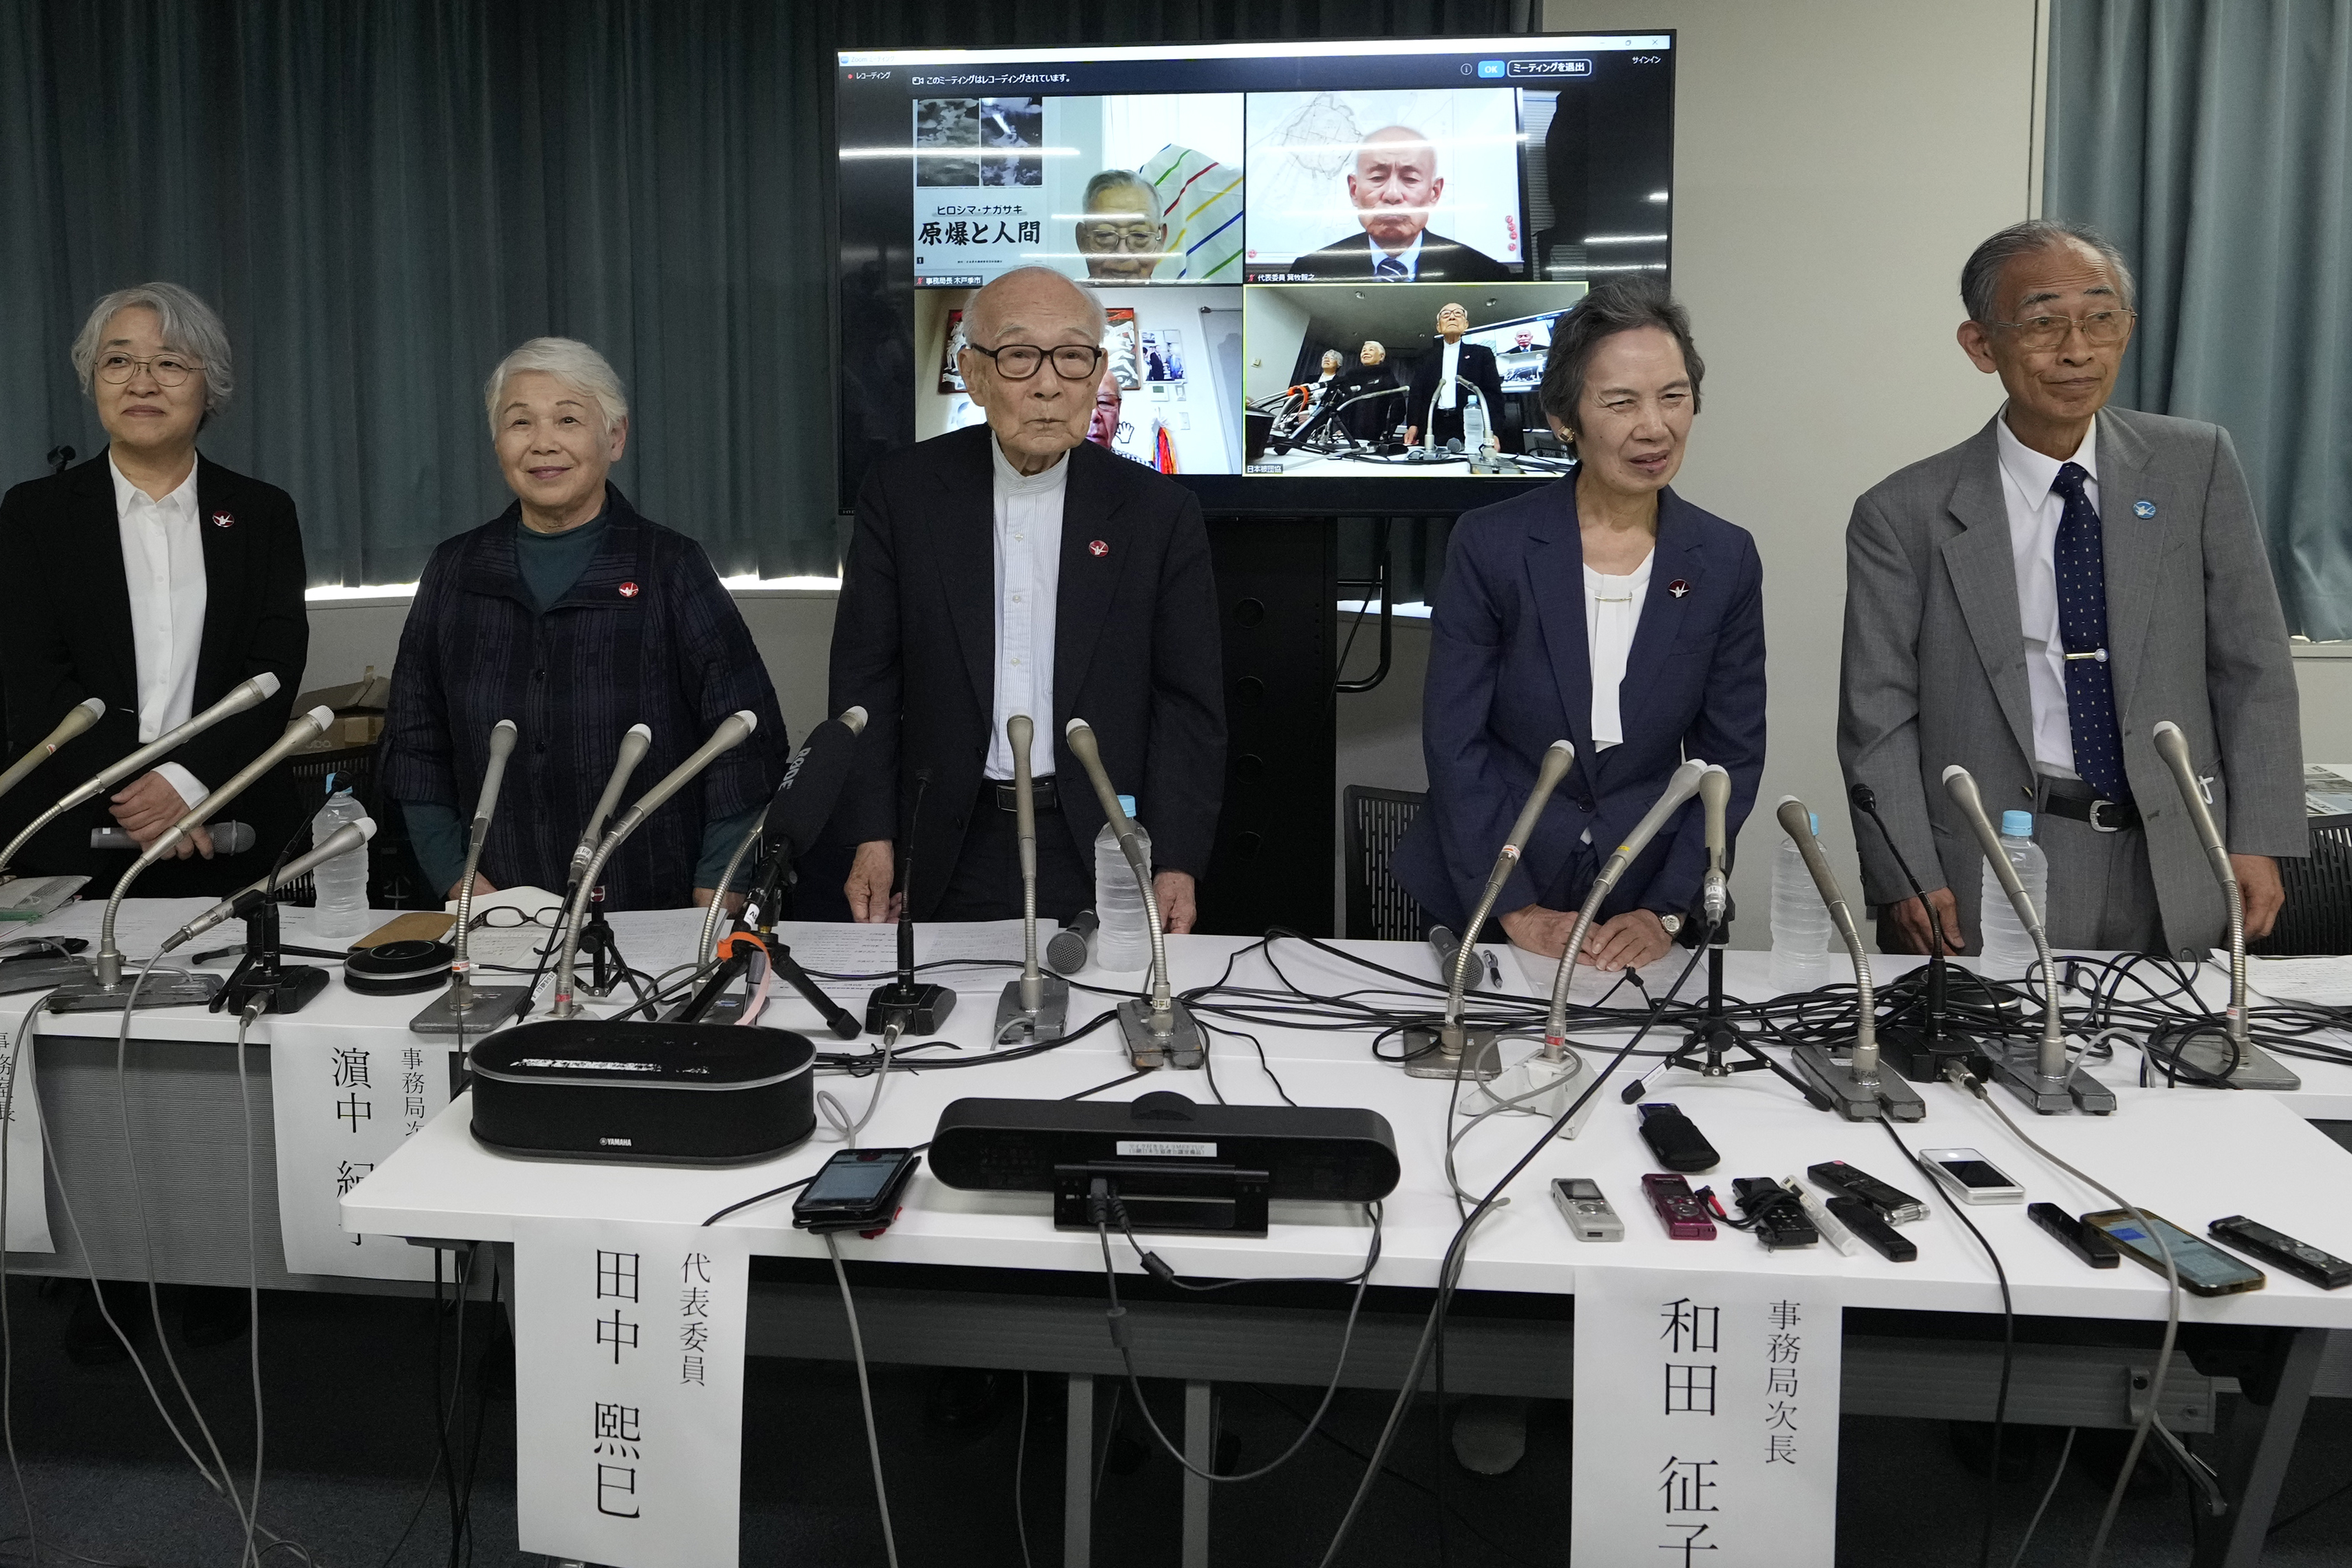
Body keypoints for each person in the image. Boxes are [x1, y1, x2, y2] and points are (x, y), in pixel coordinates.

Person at [1839, 220, 2302, 960]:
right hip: (1991, 860)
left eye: (2101, 319)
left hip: (2179, 854)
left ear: (2127, 329)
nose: (2077, 350)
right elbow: (1879, 715)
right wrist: (1904, 873)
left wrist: (2261, 837)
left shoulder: (2195, 466)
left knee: (2174, 1063)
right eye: (2044, 324)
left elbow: (2253, 668)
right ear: (1981, 345)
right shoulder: (1904, 513)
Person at [830, 265, 1225, 931]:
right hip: (951, 842)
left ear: (1100, 370)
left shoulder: (1157, 513)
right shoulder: (905, 496)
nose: (1048, 384)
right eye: (1018, 357)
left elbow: (1187, 704)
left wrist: (1177, 859)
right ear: (974, 375)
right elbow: (867, 678)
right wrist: (873, 836)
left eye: (1072, 357)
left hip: (1106, 843)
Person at [1395, 279, 1764, 975]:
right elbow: (1455, 741)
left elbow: (1730, 757)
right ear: (1565, 418)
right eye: (1621, 402)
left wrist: (1666, 908)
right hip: (1493, 892)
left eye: (1674, 397)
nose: (1654, 427)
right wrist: (1514, 906)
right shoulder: (1491, 544)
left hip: (1643, 904)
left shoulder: (1723, 559)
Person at [379, 338, 788, 911]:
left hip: (655, 905)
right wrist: (458, 881)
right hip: (497, 907)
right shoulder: (457, 570)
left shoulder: (669, 567)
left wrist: (718, 889)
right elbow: (414, 741)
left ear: (614, 437)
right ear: (497, 442)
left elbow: (744, 739)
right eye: (519, 422)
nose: (543, 443)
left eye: (568, 419)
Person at [0, 282, 307, 900]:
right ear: (93, 379)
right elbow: (32, 679)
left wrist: (188, 782)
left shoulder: (261, 513)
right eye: (119, 361)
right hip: (75, 829)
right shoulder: (33, 514)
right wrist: (143, 797)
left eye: (169, 363)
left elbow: (272, 671)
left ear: (208, 385)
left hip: (226, 822)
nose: (142, 383)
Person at [1286, 127, 1512, 283]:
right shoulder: (1312, 270)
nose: (1392, 195)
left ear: (1435, 192)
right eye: (1377, 178)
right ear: (1354, 190)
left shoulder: (1483, 273)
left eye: (1410, 179)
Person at [1405, 301, 1514, 452]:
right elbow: (1417, 393)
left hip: (1471, 425)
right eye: (1446, 315)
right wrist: (1413, 425)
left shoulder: (1482, 354)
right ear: (1439, 327)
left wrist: (1494, 431)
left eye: (1458, 314)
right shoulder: (1426, 357)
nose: (1452, 317)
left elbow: (1493, 395)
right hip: (1433, 424)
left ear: (1466, 325)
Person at [1072, 169, 1167, 284]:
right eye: (1105, 235)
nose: (1122, 253)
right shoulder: (1062, 301)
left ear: (1161, 240)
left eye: (1139, 235)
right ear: (1082, 241)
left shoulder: (1179, 300)